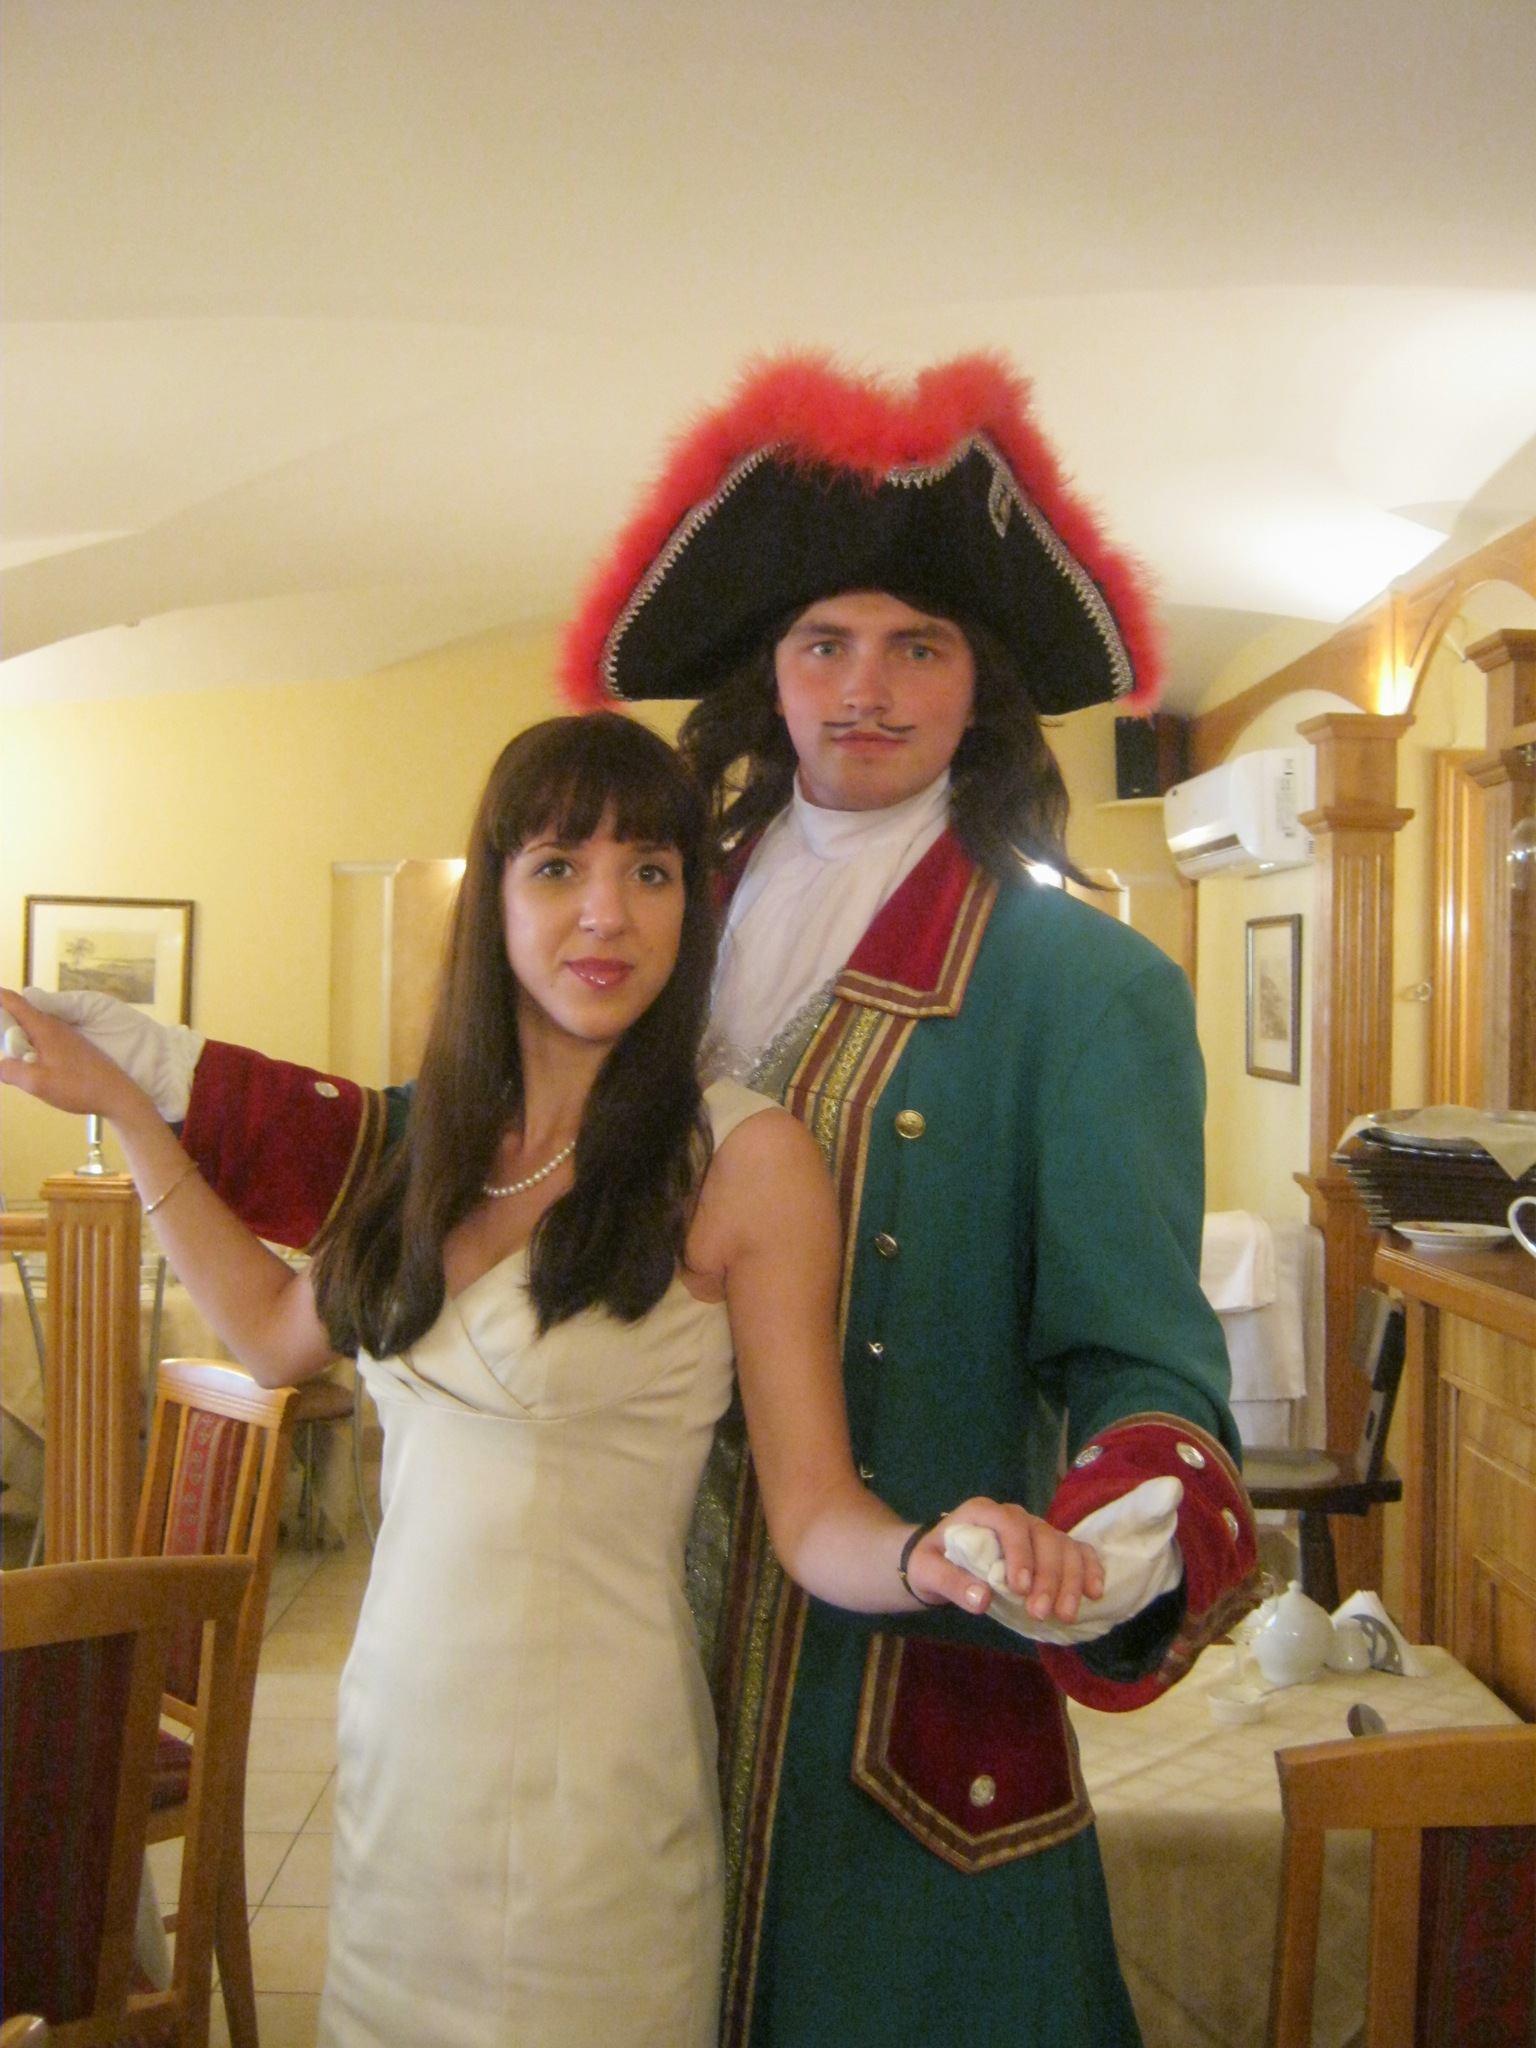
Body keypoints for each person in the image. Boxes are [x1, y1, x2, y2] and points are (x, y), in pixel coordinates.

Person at [7, 354, 1261, 2047]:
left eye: (919, 645)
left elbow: (1141, 1356)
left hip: (871, 1701)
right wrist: (164, 1077)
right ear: (768, 670)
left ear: (985, 684)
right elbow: (461, 1163)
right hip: (587, 1684)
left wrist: (1121, 1528)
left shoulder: (1082, 985)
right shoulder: (659, 900)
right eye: (824, 641)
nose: (866, 687)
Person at [2, 712, 1101, 2048]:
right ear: (497, 897)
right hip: (399, 1770)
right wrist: (126, 1108)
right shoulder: (438, 1141)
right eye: (559, 867)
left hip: (596, 1794)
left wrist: (937, 1554)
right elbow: (278, 1335)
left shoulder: (740, 1159)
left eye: (651, 871)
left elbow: (814, 1513)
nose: (607, 913)